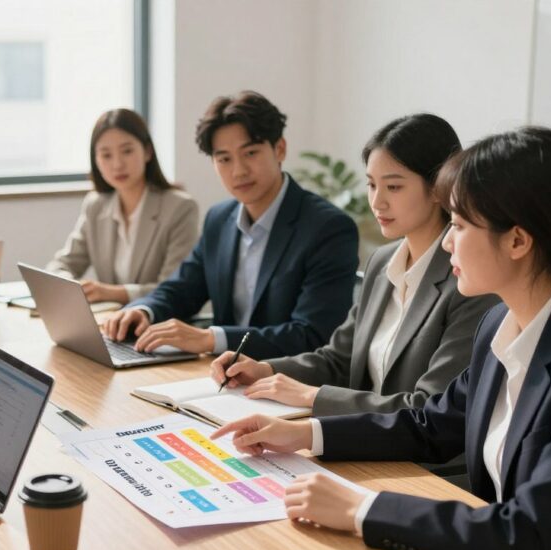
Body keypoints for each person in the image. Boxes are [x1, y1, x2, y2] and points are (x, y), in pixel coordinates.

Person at [211, 127, 551, 550]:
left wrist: (362, 508)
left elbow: (529, 535)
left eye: (459, 226)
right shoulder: (499, 324)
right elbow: (433, 424)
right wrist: (306, 434)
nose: (446, 242)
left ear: (518, 241)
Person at [211, 114, 498, 415]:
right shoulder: (382, 262)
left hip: (419, 460)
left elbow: (431, 406)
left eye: (394, 187)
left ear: (438, 188)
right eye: (372, 185)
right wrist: (265, 369)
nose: (377, 202)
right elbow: (338, 359)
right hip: (363, 440)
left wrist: (312, 397)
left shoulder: (468, 280)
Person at [102, 91, 358, 360]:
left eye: (250, 153)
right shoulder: (219, 219)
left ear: (279, 148)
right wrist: (143, 310)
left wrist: (211, 338)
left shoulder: (328, 228)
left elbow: (313, 335)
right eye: (224, 159)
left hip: (285, 383)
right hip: (221, 376)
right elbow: (182, 288)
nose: (238, 171)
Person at [45, 109, 199, 303]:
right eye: (106, 155)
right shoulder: (96, 205)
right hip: (107, 323)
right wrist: (75, 288)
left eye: (127, 151)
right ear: (96, 160)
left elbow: (175, 288)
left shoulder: (180, 207)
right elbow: (61, 265)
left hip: (157, 323)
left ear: (147, 152)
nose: (117, 164)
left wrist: (112, 293)